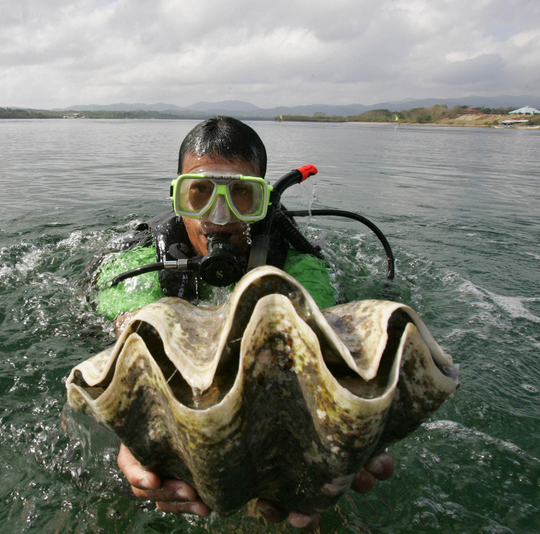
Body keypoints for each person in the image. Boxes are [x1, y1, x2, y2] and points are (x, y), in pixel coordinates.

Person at [88, 117, 394, 530]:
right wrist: (140, 429)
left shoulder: (302, 268)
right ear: (178, 196)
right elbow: (131, 337)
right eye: (198, 193)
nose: (218, 216)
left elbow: (318, 342)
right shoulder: (139, 265)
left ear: (264, 200)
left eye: (241, 196)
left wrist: (346, 429)